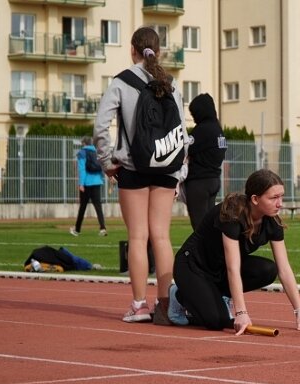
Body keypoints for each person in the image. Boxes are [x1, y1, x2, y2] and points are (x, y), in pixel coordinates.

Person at [93, 26, 187, 323]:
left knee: (137, 236)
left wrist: (108, 161)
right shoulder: (172, 84)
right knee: (161, 237)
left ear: (132, 49)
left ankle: (138, 305)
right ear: (158, 52)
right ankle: (165, 305)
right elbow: (183, 133)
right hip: (167, 167)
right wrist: (179, 171)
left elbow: (100, 127)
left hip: (133, 167)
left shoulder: (121, 82)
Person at [167, 169, 300, 335]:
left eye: (281, 196)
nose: (280, 203)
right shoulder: (232, 215)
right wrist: (241, 313)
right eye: (273, 198)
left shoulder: (272, 222)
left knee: (268, 270)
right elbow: (233, 267)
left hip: (219, 270)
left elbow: (284, 269)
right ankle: (179, 295)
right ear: (255, 199)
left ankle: (217, 295)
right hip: (193, 267)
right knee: (216, 321)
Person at [183, 93, 226, 231]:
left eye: (194, 113)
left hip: (199, 182)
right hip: (214, 180)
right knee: (210, 224)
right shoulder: (218, 129)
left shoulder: (202, 130)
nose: (194, 118)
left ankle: (203, 252)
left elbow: (185, 148)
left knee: (200, 226)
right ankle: (211, 251)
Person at [70, 136, 107, 237]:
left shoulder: (82, 153)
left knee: (82, 207)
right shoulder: (97, 152)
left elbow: (81, 169)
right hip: (97, 182)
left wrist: (81, 184)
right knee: (98, 207)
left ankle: (77, 230)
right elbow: (102, 167)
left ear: (83, 143)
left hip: (86, 184)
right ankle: (103, 228)